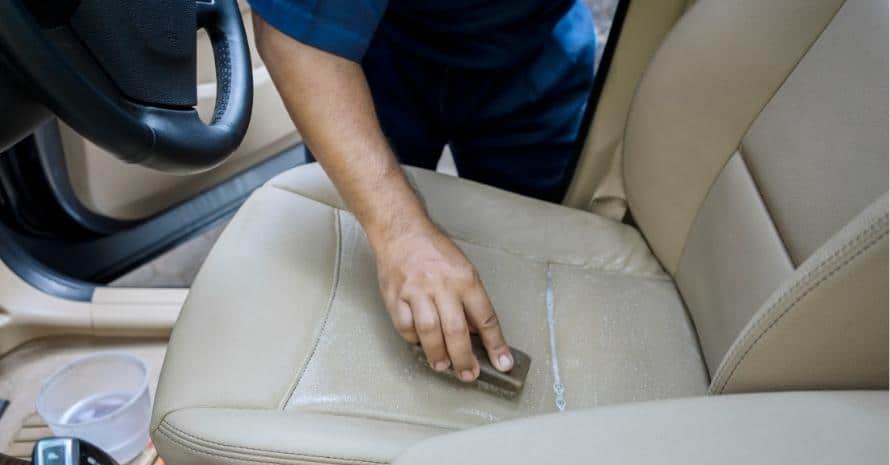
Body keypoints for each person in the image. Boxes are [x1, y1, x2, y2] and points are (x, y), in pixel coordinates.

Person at [250, 0, 597, 383]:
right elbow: (294, 39)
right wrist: (400, 234)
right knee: (355, 265)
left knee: (534, 259)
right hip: (376, 54)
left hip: (534, 51)